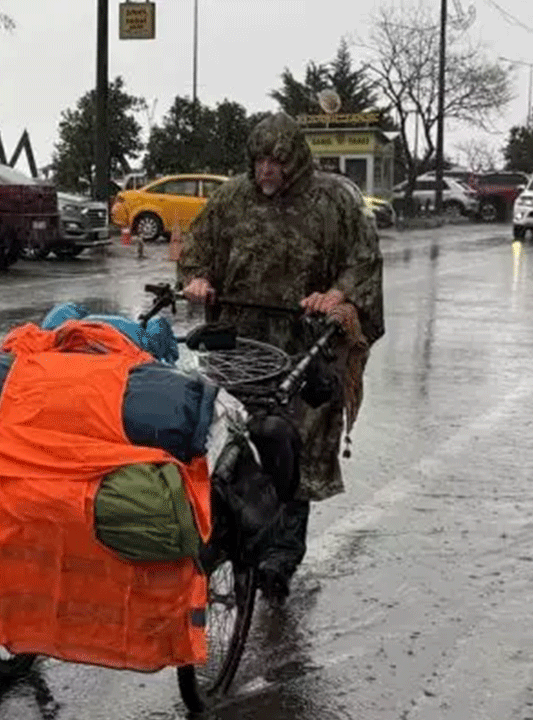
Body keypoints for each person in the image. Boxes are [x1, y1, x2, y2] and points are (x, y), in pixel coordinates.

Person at [178, 111, 385, 602]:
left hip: (304, 346)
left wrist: (337, 295)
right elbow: (198, 248)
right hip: (240, 343)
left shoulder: (333, 201)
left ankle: (281, 556)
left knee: (296, 447)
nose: (266, 170)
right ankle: (226, 523)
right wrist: (199, 278)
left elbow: (363, 262)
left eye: (276, 161)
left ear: (294, 161)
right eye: (259, 160)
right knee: (233, 433)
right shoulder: (231, 198)